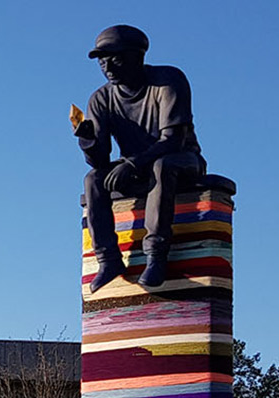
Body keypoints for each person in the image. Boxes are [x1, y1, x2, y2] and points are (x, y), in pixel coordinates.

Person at [74, 25, 207, 292]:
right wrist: (87, 140)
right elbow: (101, 161)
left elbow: (172, 141)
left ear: (138, 57)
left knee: (163, 165)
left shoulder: (169, 81)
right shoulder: (101, 98)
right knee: (93, 179)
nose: (108, 67)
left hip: (181, 161)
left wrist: (132, 163)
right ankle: (109, 259)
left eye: (116, 58)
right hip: (134, 169)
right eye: (102, 60)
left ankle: (156, 255)